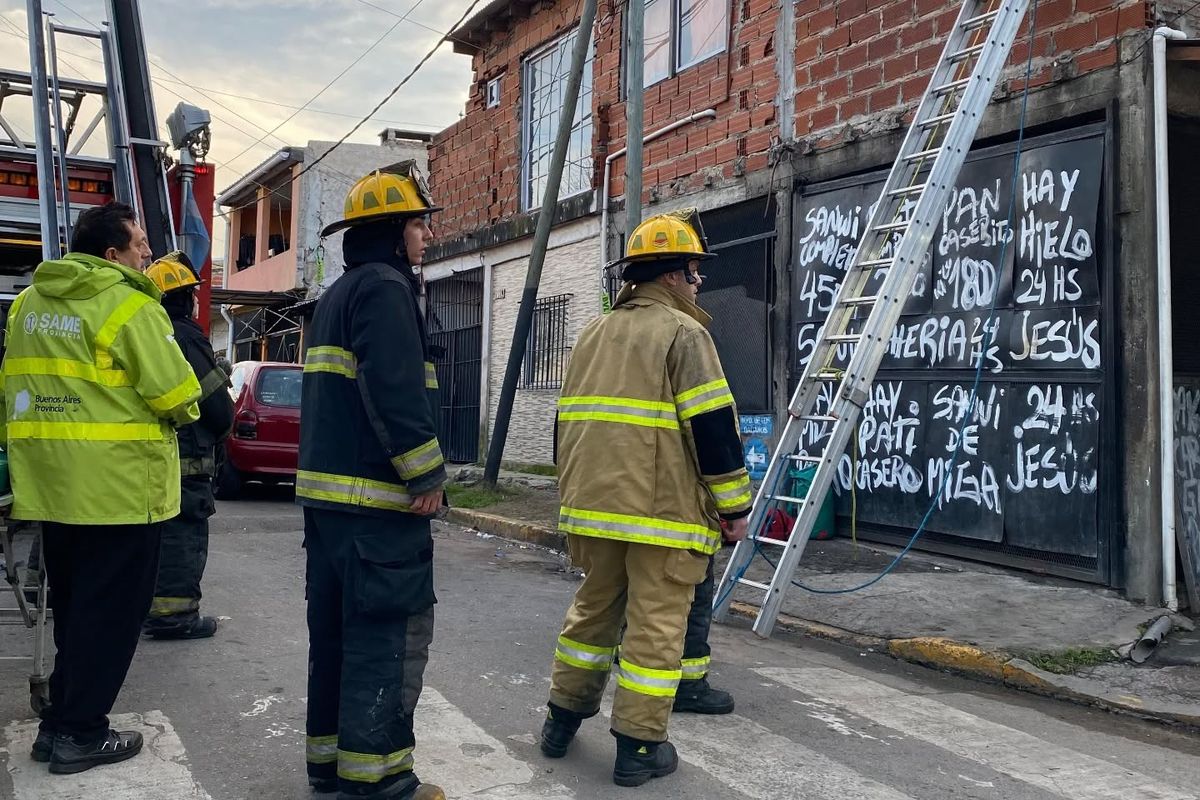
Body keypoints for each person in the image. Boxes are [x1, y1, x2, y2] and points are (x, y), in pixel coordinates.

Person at [539, 209, 751, 787]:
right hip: (661, 514)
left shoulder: (592, 332)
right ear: (676, 275)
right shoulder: (686, 334)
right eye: (696, 271)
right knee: (656, 631)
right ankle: (638, 750)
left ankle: (559, 723)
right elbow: (713, 430)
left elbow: (568, 425)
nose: (699, 282)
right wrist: (734, 509)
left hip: (592, 508)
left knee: (591, 616)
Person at [0, 201, 201, 774]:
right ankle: (80, 734)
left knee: (73, 609)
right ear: (111, 254)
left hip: (50, 486)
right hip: (119, 490)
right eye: (139, 244)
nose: (147, 253)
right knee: (109, 618)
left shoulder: (28, 305)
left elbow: (11, 386)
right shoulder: (131, 305)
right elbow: (176, 395)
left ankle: (59, 725)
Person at [297, 162, 446, 800]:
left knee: (333, 637)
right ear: (391, 232)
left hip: (331, 512)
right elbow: (394, 388)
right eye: (417, 224)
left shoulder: (337, 293)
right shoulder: (386, 287)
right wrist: (426, 474)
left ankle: (329, 767)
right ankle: (380, 780)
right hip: (377, 508)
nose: (424, 237)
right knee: (384, 638)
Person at [142, 251, 234, 640]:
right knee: (183, 534)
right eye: (192, 293)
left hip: (151, 456)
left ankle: (147, 608)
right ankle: (174, 616)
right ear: (183, 298)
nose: (197, 300)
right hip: (188, 458)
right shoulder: (185, 336)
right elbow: (216, 407)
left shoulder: (145, 331)